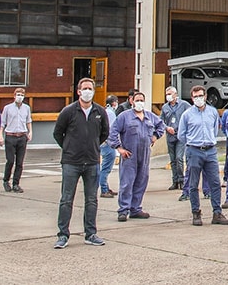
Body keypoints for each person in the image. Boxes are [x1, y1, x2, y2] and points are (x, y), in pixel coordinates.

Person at [51, 77, 110, 248]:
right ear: (78, 91)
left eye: (90, 88)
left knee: (91, 199)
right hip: (71, 162)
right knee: (66, 199)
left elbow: (104, 133)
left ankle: (90, 233)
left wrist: (91, 146)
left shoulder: (99, 112)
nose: (87, 91)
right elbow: (58, 133)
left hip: (92, 162)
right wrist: (69, 148)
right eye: (84, 88)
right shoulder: (68, 111)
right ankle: (63, 235)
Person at [176, 84, 228, 226]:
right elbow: (181, 134)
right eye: (195, 96)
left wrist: (209, 142)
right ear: (192, 98)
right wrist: (192, 143)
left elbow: (215, 129)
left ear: (205, 96)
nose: (198, 99)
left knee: (215, 183)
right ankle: (196, 213)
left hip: (211, 150)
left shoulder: (212, 112)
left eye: (201, 96)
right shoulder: (187, 115)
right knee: (193, 184)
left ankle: (217, 213)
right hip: (194, 150)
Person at [108, 90, 159, 221]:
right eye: (137, 100)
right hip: (129, 155)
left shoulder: (150, 116)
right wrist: (119, 148)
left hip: (145, 154)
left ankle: (136, 209)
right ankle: (123, 210)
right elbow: (113, 132)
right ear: (132, 101)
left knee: (141, 181)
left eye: (142, 100)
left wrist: (155, 136)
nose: (140, 102)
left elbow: (161, 126)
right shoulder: (124, 116)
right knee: (127, 182)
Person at [0, 87, 32, 194]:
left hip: (22, 136)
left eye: (22, 95)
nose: (20, 97)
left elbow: (28, 121)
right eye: (18, 94)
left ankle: (16, 183)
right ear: (14, 96)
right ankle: (6, 180)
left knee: (20, 162)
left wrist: (30, 131)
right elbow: (2, 123)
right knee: (10, 160)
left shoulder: (26, 108)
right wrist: (0, 136)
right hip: (10, 136)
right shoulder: (7, 108)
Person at [159, 87, 190, 196]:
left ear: (175, 94)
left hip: (180, 136)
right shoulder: (165, 107)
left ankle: (182, 180)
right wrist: (167, 128)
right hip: (170, 135)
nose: (168, 95)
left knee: (179, 158)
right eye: (166, 94)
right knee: (172, 160)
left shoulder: (184, 105)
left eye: (170, 94)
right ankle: (175, 181)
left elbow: (191, 115)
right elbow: (160, 121)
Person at [100, 95, 120, 199]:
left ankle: (106, 188)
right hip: (108, 143)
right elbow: (112, 130)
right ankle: (104, 189)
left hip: (104, 142)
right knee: (106, 168)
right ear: (114, 103)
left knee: (105, 166)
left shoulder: (105, 111)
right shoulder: (111, 113)